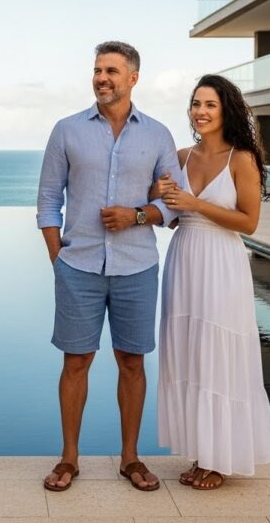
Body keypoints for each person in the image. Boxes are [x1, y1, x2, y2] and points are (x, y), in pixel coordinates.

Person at [37, 41, 183, 493]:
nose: (102, 78)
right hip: (78, 266)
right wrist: (57, 257)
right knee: (76, 361)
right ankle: (68, 459)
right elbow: (47, 201)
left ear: (133, 78)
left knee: (131, 361)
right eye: (98, 70)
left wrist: (137, 215)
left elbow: (172, 205)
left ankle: (131, 459)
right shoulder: (66, 130)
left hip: (136, 266)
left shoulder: (157, 135)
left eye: (112, 71)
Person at [152, 74, 270, 490]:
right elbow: (173, 218)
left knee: (217, 352)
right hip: (184, 258)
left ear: (226, 110)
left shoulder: (241, 159)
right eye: (195, 104)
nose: (201, 112)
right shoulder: (181, 155)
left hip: (221, 263)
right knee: (189, 352)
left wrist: (194, 203)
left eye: (210, 105)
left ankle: (220, 459)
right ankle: (201, 452)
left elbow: (250, 223)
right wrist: (168, 201)